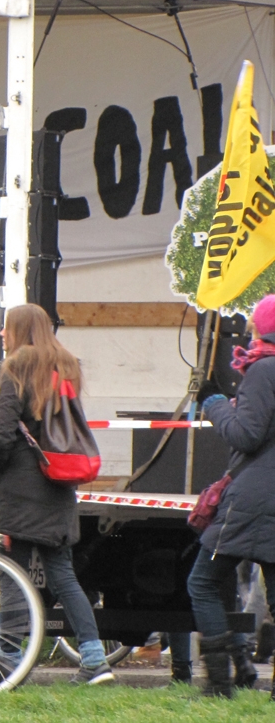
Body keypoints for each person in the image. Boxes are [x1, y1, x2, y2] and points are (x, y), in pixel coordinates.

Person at [0, 303, 114, 686]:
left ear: (19, 329)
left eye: (7, 329)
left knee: (11, 575)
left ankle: (10, 663)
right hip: (59, 488)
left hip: (18, 492)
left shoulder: (17, 366)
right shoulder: (66, 365)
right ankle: (94, 660)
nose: (3, 335)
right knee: (64, 577)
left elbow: (2, 432)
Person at [191, 293, 275, 699]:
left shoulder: (263, 371)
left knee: (202, 581)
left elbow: (247, 434)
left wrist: (215, 403)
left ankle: (220, 685)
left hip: (253, 501)